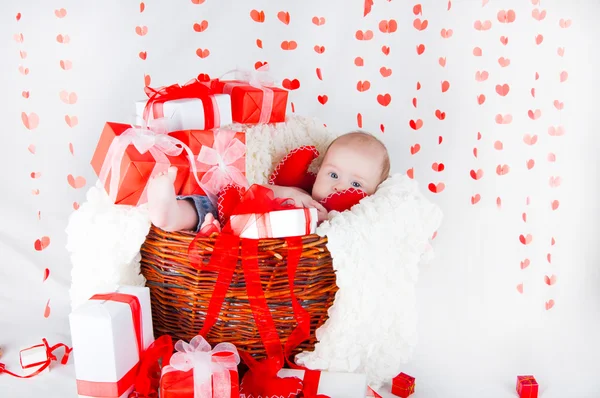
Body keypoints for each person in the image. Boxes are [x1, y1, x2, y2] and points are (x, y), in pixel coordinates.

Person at [147, 131, 390, 233]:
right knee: (208, 206)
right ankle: (172, 213)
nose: (339, 186)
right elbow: (256, 193)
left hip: (263, 251)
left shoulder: (348, 225)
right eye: (333, 175)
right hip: (235, 221)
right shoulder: (301, 192)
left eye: (356, 185)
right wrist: (288, 194)